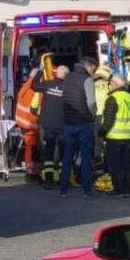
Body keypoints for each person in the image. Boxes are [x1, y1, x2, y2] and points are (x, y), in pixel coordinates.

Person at [54, 64, 95, 197]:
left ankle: (63, 190)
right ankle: (87, 190)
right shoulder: (87, 79)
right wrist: (93, 114)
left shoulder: (68, 78)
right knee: (86, 156)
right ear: (88, 67)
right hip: (84, 122)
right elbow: (91, 102)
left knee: (67, 157)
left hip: (69, 123)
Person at [101, 74, 130, 198]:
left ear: (115, 84)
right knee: (126, 165)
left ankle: (119, 189)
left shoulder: (113, 98)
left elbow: (108, 120)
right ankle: (128, 188)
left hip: (114, 137)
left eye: (111, 83)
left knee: (115, 166)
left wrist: (101, 132)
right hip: (127, 136)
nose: (110, 85)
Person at [33, 64, 69, 189]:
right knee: (63, 153)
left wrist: (40, 71)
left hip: (48, 124)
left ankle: (48, 180)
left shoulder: (47, 85)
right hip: (63, 124)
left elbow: (34, 85)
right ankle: (62, 179)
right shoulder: (68, 87)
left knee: (49, 153)